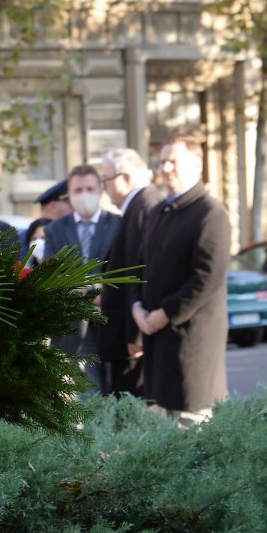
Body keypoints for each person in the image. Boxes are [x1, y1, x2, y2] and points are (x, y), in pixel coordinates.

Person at [134, 136, 230, 425]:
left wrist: (165, 314)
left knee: (191, 431)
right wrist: (137, 307)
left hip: (191, 342)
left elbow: (207, 276)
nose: (165, 167)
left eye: (172, 161)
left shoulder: (210, 213)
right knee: (162, 435)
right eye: (162, 161)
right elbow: (141, 267)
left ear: (196, 166)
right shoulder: (159, 212)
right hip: (155, 337)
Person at [44, 165, 121, 390]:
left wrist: (105, 296)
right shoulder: (55, 230)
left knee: (120, 394)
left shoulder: (120, 223)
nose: (84, 194)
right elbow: (53, 276)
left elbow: (130, 269)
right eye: (78, 190)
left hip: (113, 321)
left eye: (89, 188)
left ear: (100, 190)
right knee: (90, 395)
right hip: (76, 325)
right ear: (70, 194)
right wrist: (90, 293)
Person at [96, 150, 157, 399]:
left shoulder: (145, 206)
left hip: (133, 339)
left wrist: (136, 335)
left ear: (127, 177)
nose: (104, 187)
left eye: (106, 179)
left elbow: (140, 273)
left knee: (134, 406)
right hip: (124, 335)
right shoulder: (136, 206)